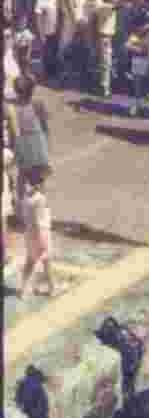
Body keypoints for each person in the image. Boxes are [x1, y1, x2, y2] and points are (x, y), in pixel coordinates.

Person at [16, 166, 62, 298]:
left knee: (30, 261)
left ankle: (24, 289)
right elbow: (38, 222)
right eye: (42, 182)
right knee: (47, 260)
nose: (44, 184)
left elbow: (25, 217)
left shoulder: (26, 198)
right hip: (41, 234)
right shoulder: (40, 199)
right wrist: (41, 241)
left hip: (29, 234)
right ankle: (53, 288)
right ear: (38, 184)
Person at [10, 76, 50, 208]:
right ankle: (40, 207)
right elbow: (44, 126)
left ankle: (22, 209)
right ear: (32, 90)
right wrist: (46, 144)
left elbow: (12, 130)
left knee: (22, 176)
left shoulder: (13, 107)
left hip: (23, 143)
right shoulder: (38, 104)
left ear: (16, 91)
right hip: (37, 143)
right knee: (39, 179)